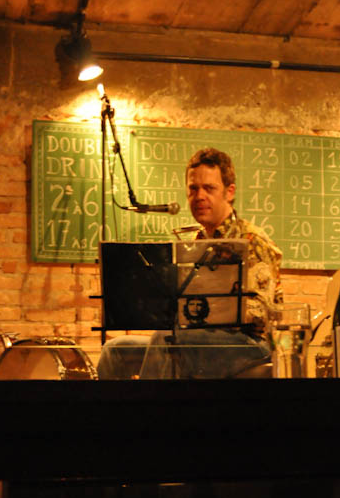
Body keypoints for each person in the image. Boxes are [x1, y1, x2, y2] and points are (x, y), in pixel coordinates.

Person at [97, 147, 283, 379]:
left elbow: (264, 313)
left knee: (166, 340)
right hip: (199, 339)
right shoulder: (196, 242)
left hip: (250, 344)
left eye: (209, 188)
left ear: (230, 192)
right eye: (193, 189)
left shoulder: (251, 239)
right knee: (115, 350)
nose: (199, 196)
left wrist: (211, 310)